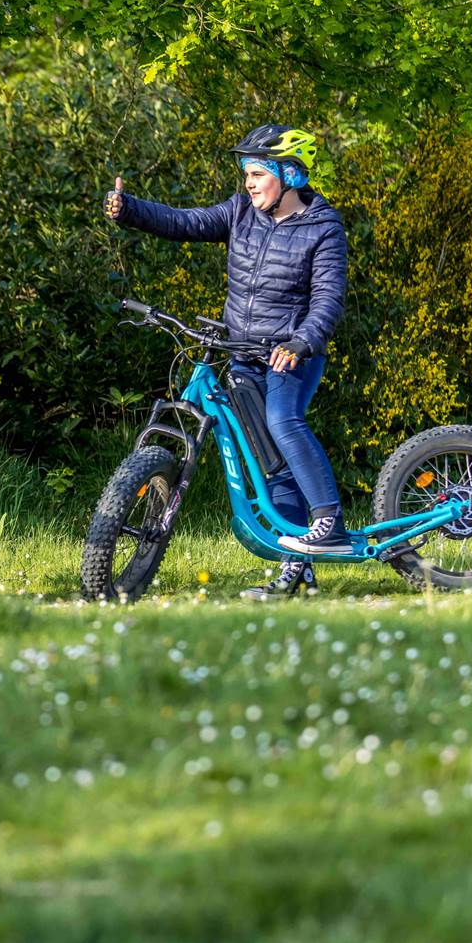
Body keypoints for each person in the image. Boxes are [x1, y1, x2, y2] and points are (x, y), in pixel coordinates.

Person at [104, 124, 349, 601]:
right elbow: (185, 222)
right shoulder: (241, 213)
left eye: (258, 174)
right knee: (270, 462)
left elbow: (327, 299)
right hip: (242, 354)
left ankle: (330, 522)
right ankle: (296, 568)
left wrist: (301, 343)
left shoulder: (323, 226)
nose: (249, 184)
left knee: (283, 420)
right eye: (247, 175)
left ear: (290, 174)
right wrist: (130, 210)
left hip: (289, 357)